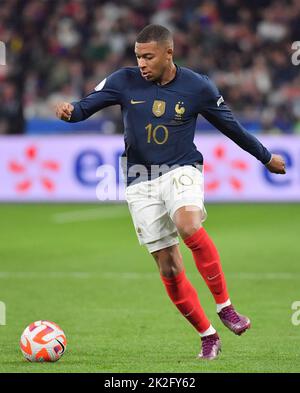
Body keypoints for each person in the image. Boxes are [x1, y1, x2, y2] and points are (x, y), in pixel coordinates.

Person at [55, 24, 286, 360]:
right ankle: (208, 335)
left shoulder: (197, 87)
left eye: (148, 56)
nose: (142, 63)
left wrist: (265, 157)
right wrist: (68, 111)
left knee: (189, 224)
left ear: (168, 53)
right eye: (138, 56)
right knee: (169, 267)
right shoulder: (123, 80)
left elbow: (231, 126)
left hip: (181, 168)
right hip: (139, 178)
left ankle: (226, 307)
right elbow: (83, 107)